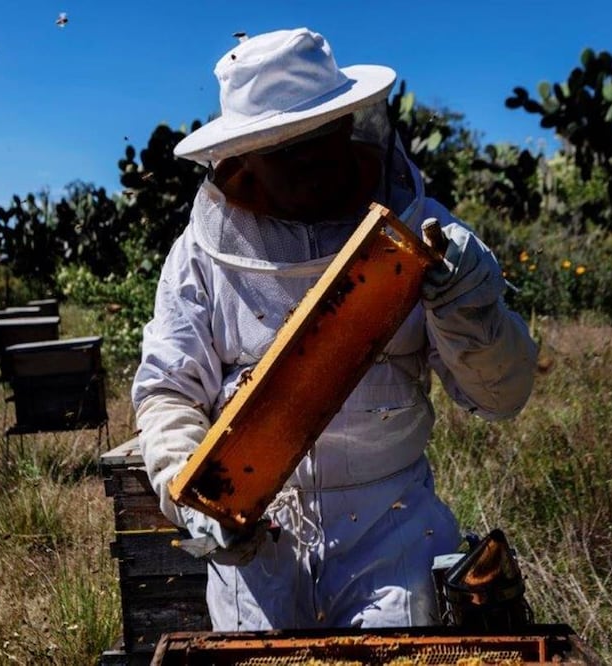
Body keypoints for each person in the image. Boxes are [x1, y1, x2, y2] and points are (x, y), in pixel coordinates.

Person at [132, 27, 538, 631]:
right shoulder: (198, 256)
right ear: (246, 155)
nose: (308, 168)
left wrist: (472, 308)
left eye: (318, 140)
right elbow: (168, 390)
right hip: (258, 534)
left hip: (393, 525)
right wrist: (191, 491)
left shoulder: (422, 230)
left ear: (348, 125)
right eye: (283, 151)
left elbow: (501, 396)